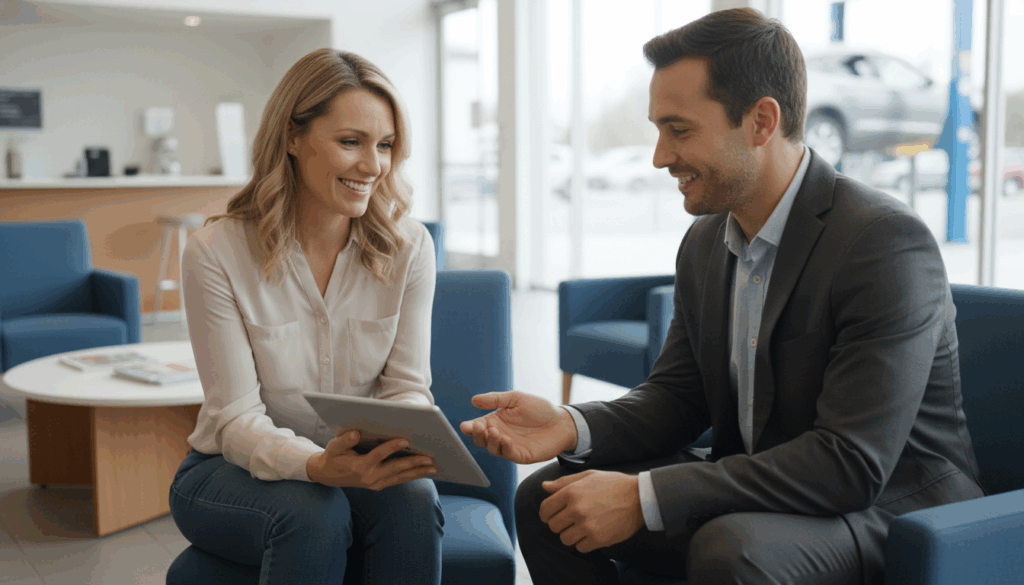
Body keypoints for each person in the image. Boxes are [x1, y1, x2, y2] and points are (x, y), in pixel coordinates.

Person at [461, 9, 984, 585]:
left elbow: (852, 462)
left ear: (761, 121)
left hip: (891, 506)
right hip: (771, 489)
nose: (660, 156)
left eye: (679, 130)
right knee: (551, 502)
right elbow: (679, 396)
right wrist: (570, 425)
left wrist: (645, 495)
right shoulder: (708, 241)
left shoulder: (882, 242)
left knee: (732, 549)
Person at [168, 48, 443, 584]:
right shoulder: (216, 251)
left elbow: (408, 388)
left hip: (353, 460)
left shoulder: (410, 247)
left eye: (385, 145)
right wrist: (316, 465)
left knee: (413, 498)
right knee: (313, 512)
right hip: (228, 468)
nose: (373, 166)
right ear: (292, 138)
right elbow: (235, 420)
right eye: (350, 142)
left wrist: (398, 437)